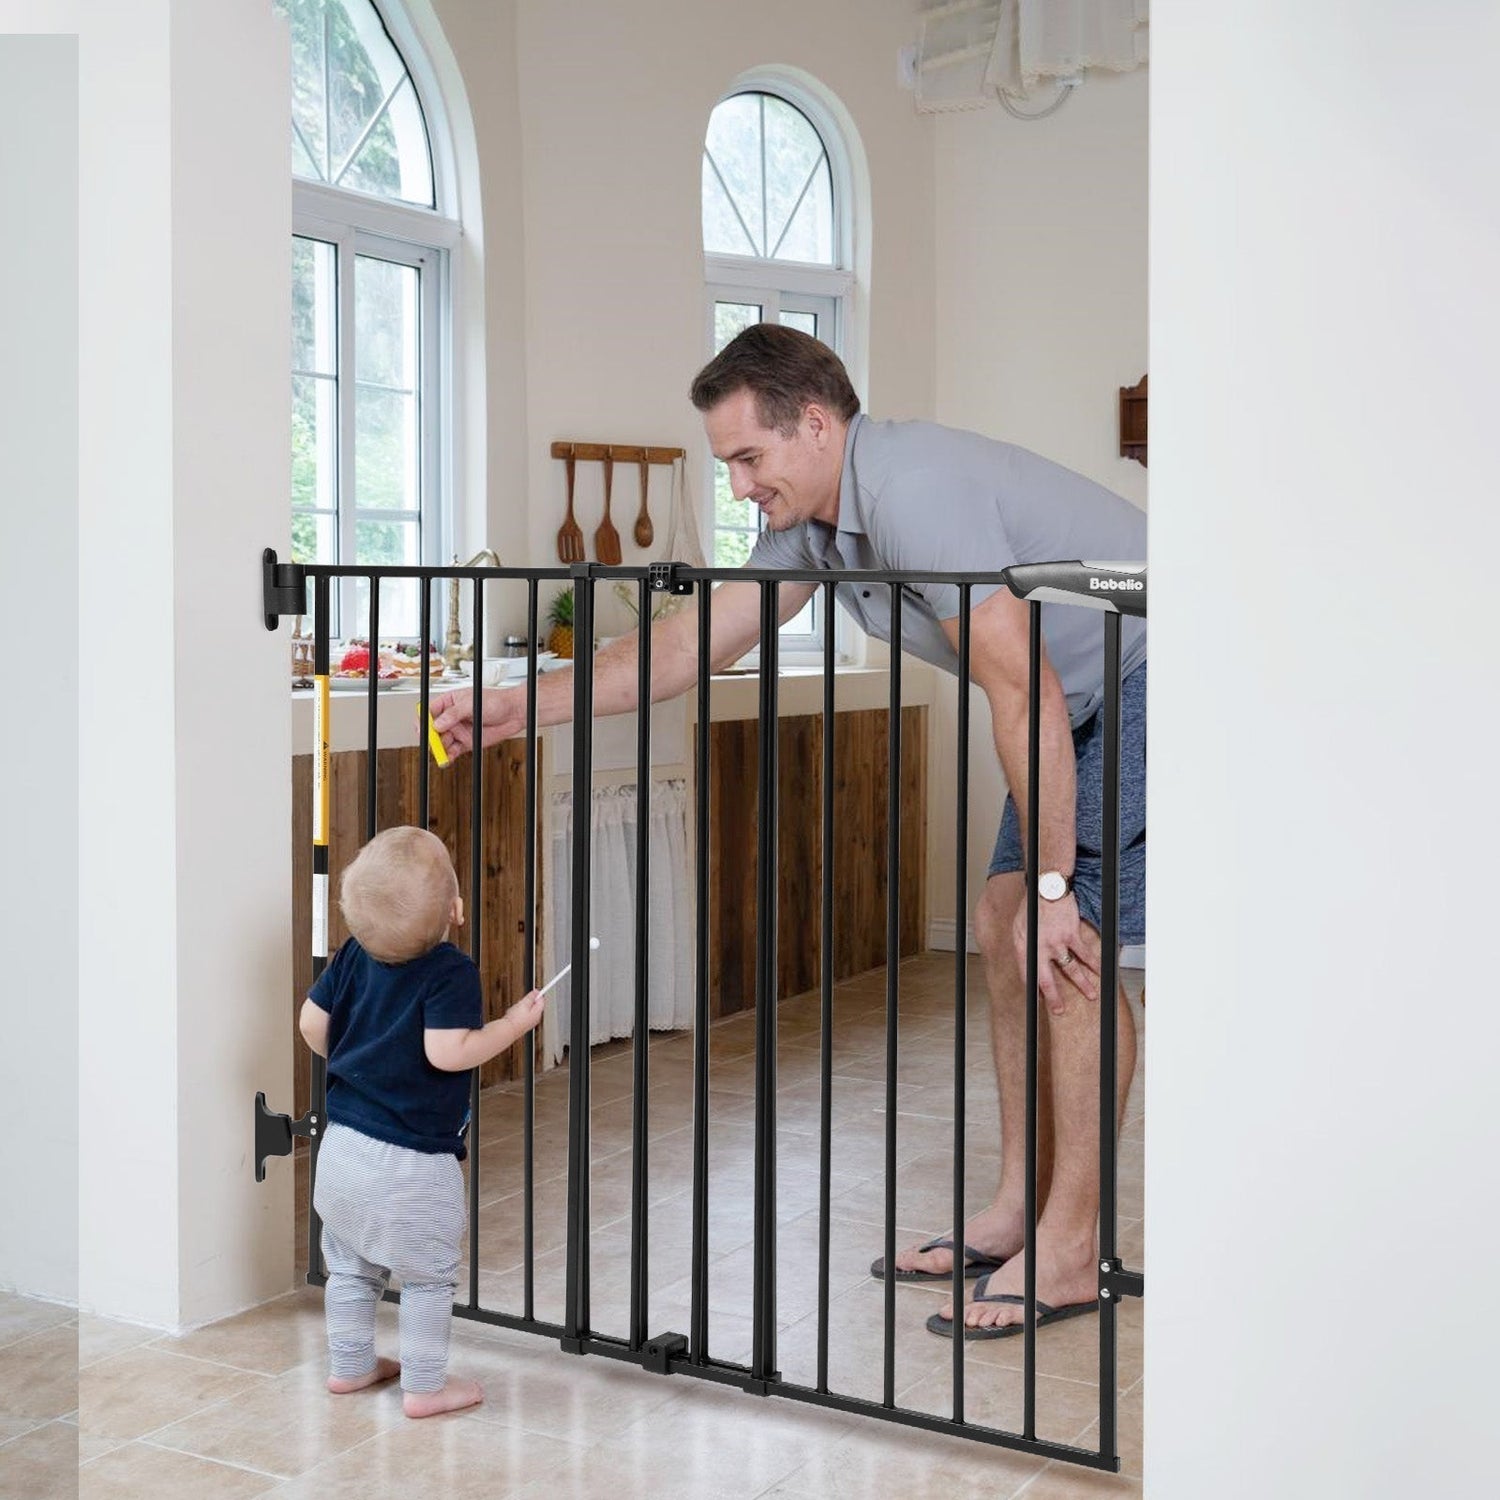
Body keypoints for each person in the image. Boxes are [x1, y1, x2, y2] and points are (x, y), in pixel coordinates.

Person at [432, 323, 1146, 1340]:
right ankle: (1017, 1212)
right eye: (728, 465)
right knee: (999, 920)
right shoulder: (819, 525)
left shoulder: (914, 493)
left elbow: (1018, 683)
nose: (737, 487)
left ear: (815, 423)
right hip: (1072, 693)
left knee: (1053, 937)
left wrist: (1055, 887)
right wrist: (519, 706)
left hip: (1153, 669)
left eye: (748, 459)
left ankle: (1072, 1247)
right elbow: (689, 644)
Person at [298, 825, 546, 1416]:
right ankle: (427, 1386)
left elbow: (311, 1023)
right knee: (428, 1277)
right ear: (456, 911)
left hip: (341, 1151)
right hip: (411, 1165)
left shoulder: (353, 954)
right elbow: (447, 1052)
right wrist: (514, 1024)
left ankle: (352, 1368)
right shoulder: (448, 971)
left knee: (351, 1267)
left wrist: (357, 1061)